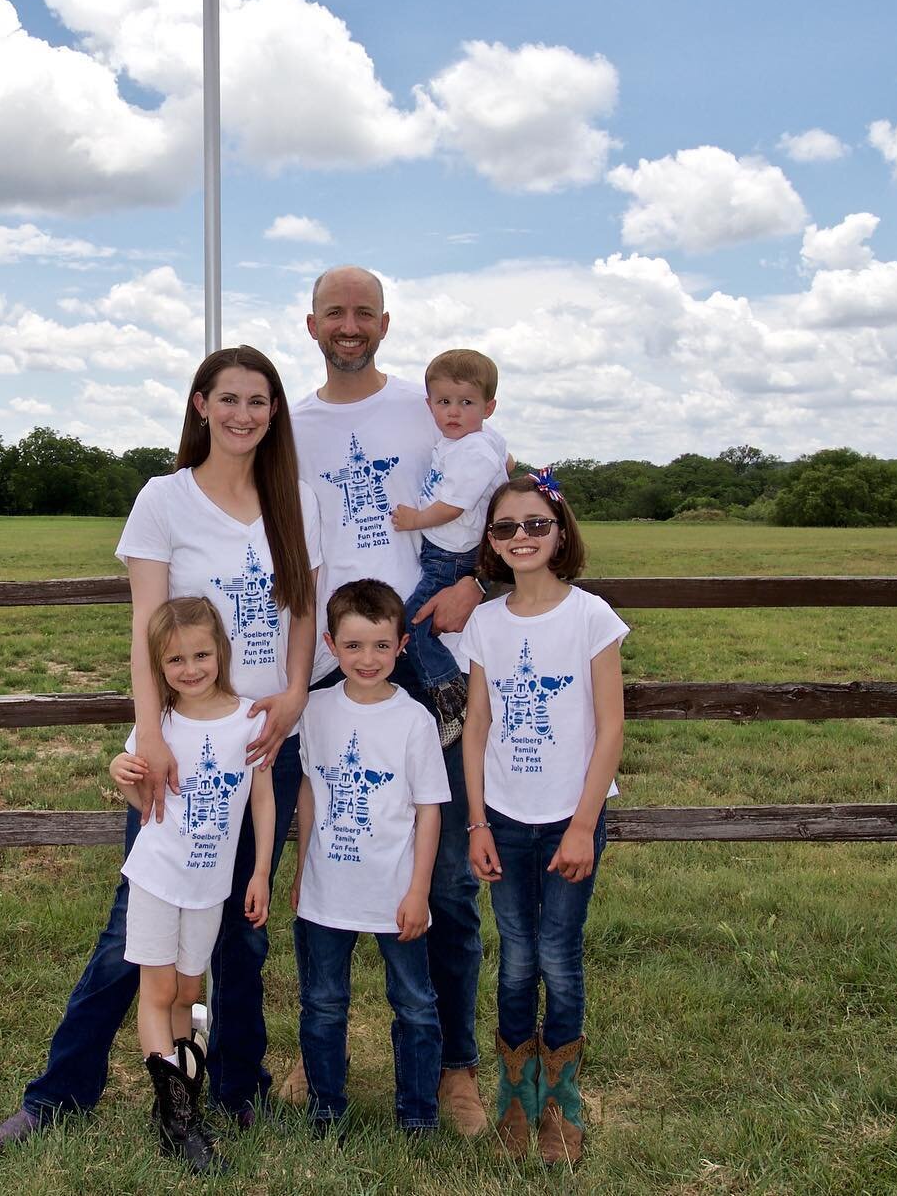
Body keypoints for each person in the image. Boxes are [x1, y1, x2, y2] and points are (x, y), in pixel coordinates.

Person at [0, 345, 320, 1146]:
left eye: (260, 401)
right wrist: (152, 738)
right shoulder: (163, 499)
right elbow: (146, 633)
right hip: (180, 747)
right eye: (229, 398)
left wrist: (297, 691)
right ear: (201, 403)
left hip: (264, 739)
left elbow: (303, 611)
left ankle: (239, 1086)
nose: (244, 413)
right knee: (133, 927)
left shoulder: (296, 498)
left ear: (274, 414)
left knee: (244, 923)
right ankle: (60, 1091)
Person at [289, 267, 490, 1134]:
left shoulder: (434, 408)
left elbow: (519, 505)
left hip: (421, 654)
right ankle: (315, 1049)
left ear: (385, 322)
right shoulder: (288, 425)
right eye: (335, 311)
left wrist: (478, 579)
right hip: (334, 660)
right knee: (325, 845)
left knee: (444, 881)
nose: (350, 324)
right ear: (311, 324)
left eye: (364, 311)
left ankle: (455, 1066)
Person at [461, 469, 627, 1167]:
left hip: (569, 818)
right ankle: (514, 1094)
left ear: (560, 531)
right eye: (506, 528)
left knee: (559, 955)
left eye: (535, 523)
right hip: (503, 815)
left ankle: (562, 1100)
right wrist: (476, 822)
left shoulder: (590, 615)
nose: (521, 537)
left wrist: (585, 822)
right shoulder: (485, 622)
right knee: (515, 957)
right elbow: (475, 725)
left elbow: (612, 726)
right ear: (491, 544)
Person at [114, 596, 274, 1173]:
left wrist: (258, 872)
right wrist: (119, 770)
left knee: (188, 995)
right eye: (175, 660)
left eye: (201, 654)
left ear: (220, 652)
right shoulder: (156, 725)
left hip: (212, 884)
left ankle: (176, 1103)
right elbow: (141, 797)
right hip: (158, 877)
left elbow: (262, 797)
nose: (190, 668)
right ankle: (181, 1121)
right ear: (159, 666)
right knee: (158, 995)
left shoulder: (250, 717)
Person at [291, 580, 450, 1134]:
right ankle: (326, 1109)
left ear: (403, 645)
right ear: (331, 646)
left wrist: (419, 891)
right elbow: (310, 789)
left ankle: (418, 1114)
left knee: (414, 1005)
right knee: (323, 1003)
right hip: (326, 889)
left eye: (381, 646)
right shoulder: (313, 709)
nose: (367, 659)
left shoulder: (414, 721)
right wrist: (300, 869)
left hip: (396, 891)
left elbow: (430, 810)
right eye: (354, 646)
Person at [391, 348, 509, 743]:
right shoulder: (465, 442)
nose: (454, 412)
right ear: (430, 405)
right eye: (444, 403)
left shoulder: (473, 447)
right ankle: (451, 693)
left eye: (466, 403)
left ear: (488, 407)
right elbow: (505, 459)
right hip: (444, 554)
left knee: (412, 622)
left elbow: (455, 506)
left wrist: (415, 519)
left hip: (451, 558)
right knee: (417, 623)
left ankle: (450, 697)